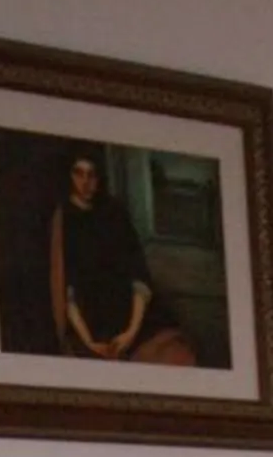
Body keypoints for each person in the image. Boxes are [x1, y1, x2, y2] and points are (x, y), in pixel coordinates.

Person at [48, 150, 193, 363]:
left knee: (174, 356)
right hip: (89, 324)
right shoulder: (63, 221)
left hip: (133, 318)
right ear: (69, 176)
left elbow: (139, 277)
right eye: (79, 173)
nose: (86, 182)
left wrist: (131, 332)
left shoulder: (113, 212)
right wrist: (89, 342)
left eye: (92, 175)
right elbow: (67, 293)